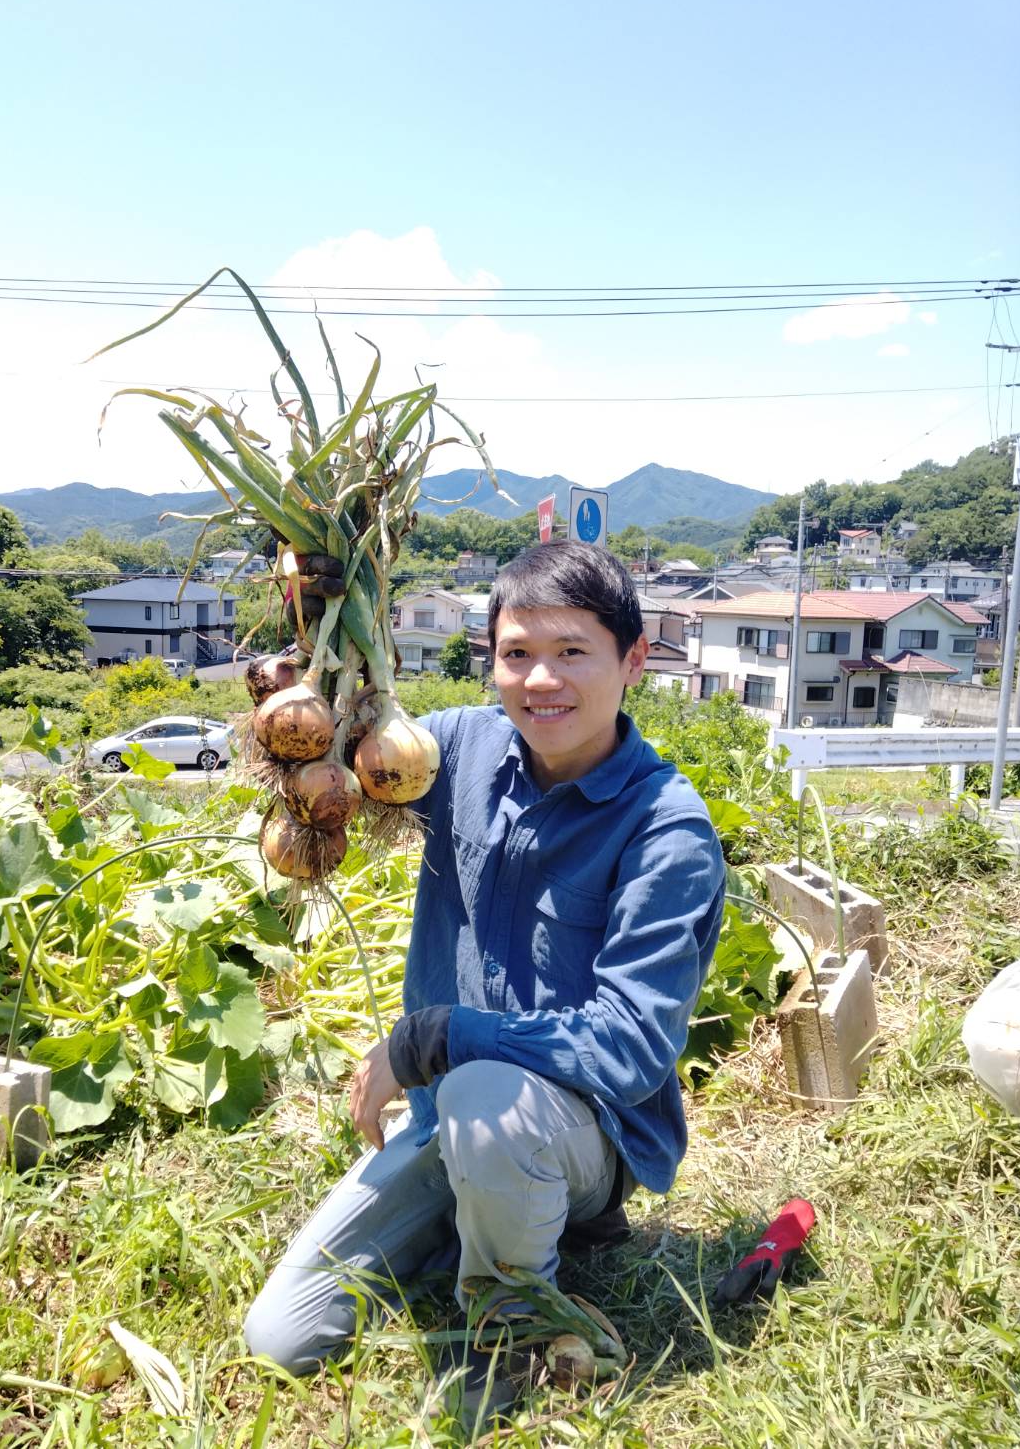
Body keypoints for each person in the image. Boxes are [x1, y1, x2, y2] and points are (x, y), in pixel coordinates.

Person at [244, 540, 726, 1416]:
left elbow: (629, 1047)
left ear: (634, 659)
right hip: (454, 1116)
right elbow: (349, 743)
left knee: (482, 1094)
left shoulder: (667, 831)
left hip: (583, 1127)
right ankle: (486, 1214)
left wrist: (434, 1037)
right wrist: (317, 625)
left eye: (573, 651)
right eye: (517, 654)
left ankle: (516, 1322)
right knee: (282, 1334)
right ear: (492, 662)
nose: (542, 680)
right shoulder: (458, 749)